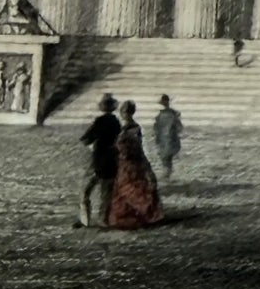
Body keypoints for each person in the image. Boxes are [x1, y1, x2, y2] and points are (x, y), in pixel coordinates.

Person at [107, 100, 163, 231]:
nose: (125, 114)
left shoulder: (133, 128)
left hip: (132, 163)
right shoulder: (122, 129)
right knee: (123, 189)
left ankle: (140, 216)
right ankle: (126, 216)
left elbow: (137, 148)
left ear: (131, 112)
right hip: (123, 163)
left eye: (127, 111)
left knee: (133, 188)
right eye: (124, 112)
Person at [76, 94, 121, 228]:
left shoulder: (100, 121)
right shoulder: (116, 122)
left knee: (85, 191)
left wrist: (92, 145)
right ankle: (103, 220)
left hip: (98, 159)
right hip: (112, 159)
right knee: (106, 193)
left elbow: (86, 139)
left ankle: (85, 220)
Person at [152, 94, 183, 179]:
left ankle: (166, 176)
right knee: (167, 159)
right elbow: (179, 128)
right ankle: (167, 175)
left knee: (165, 159)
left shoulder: (161, 115)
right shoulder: (173, 114)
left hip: (164, 139)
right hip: (169, 139)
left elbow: (156, 128)